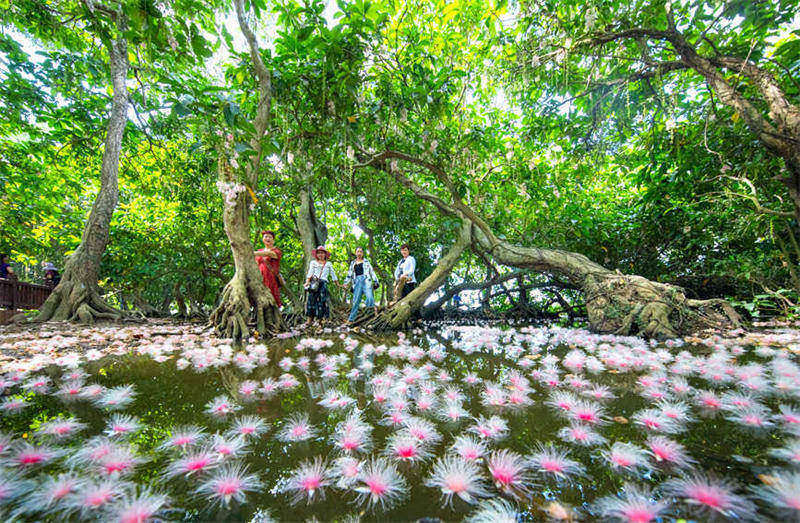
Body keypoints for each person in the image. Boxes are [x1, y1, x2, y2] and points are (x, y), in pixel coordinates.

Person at [304, 245, 338, 325]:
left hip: (323, 284)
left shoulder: (328, 264)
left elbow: (333, 274)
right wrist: (307, 282)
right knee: (311, 301)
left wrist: (337, 283)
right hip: (314, 284)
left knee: (321, 302)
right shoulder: (313, 262)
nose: (320, 255)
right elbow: (310, 272)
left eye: (322, 253)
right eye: (319, 253)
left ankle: (320, 321)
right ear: (316, 254)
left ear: (325, 254)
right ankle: (309, 320)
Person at [344, 247, 378, 322]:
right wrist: (346, 283)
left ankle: (370, 316)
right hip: (357, 282)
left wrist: (376, 281)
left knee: (370, 298)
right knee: (356, 301)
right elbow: (349, 274)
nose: (359, 253)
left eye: (361, 252)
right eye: (358, 251)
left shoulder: (366, 262)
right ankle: (351, 319)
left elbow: (371, 271)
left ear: (362, 253)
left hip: (366, 281)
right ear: (356, 253)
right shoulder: (353, 263)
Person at [254, 230, 282, 307]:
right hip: (260, 278)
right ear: (263, 239)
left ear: (273, 240)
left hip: (271, 279)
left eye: (270, 237)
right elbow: (256, 264)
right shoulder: (259, 251)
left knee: (272, 298)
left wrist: (252, 252)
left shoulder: (276, 251)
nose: (268, 238)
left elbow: (269, 254)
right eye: (266, 237)